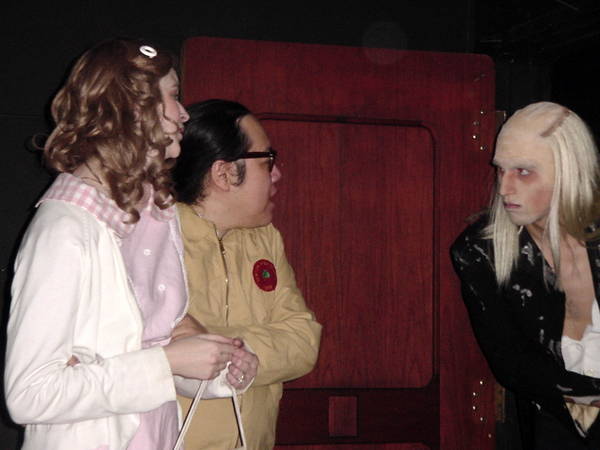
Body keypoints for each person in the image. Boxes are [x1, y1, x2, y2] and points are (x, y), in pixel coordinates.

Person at [4, 38, 257, 450]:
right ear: (130, 108)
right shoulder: (64, 229)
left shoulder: (154, 215)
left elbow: (138, 357)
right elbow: (30, 394)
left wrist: (212, 366)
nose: (184, 113)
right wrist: (167, 362)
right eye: (173, 96)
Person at [171, 99, 322, 449]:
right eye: (267, 160)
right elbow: (162, 344)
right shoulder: (156, 239)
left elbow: (304, 339)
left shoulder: (265, 239)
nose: (277, 173)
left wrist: (245, 354)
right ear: (224, 173)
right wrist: (239, 352)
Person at [451, 101, 600, 449]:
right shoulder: (479, 251)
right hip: (560, 421)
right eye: (500, 170)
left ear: (569, 169)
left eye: (523, 171)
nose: (504, 188)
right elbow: (512, 363)